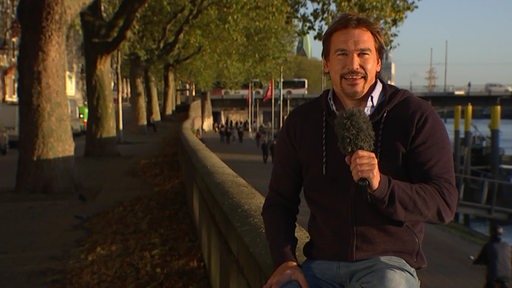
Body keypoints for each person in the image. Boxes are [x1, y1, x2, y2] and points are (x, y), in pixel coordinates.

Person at [261, 13, 458, 288]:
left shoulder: (416, 116)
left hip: (389, 265)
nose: (353, 64)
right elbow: (279, 202)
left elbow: (444, 203)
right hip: (321, 264)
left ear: (378, 62)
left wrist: (382, 186)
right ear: (327, 64)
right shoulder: (302, 122)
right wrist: (284, 259)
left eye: (363, 54)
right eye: (341, 54)